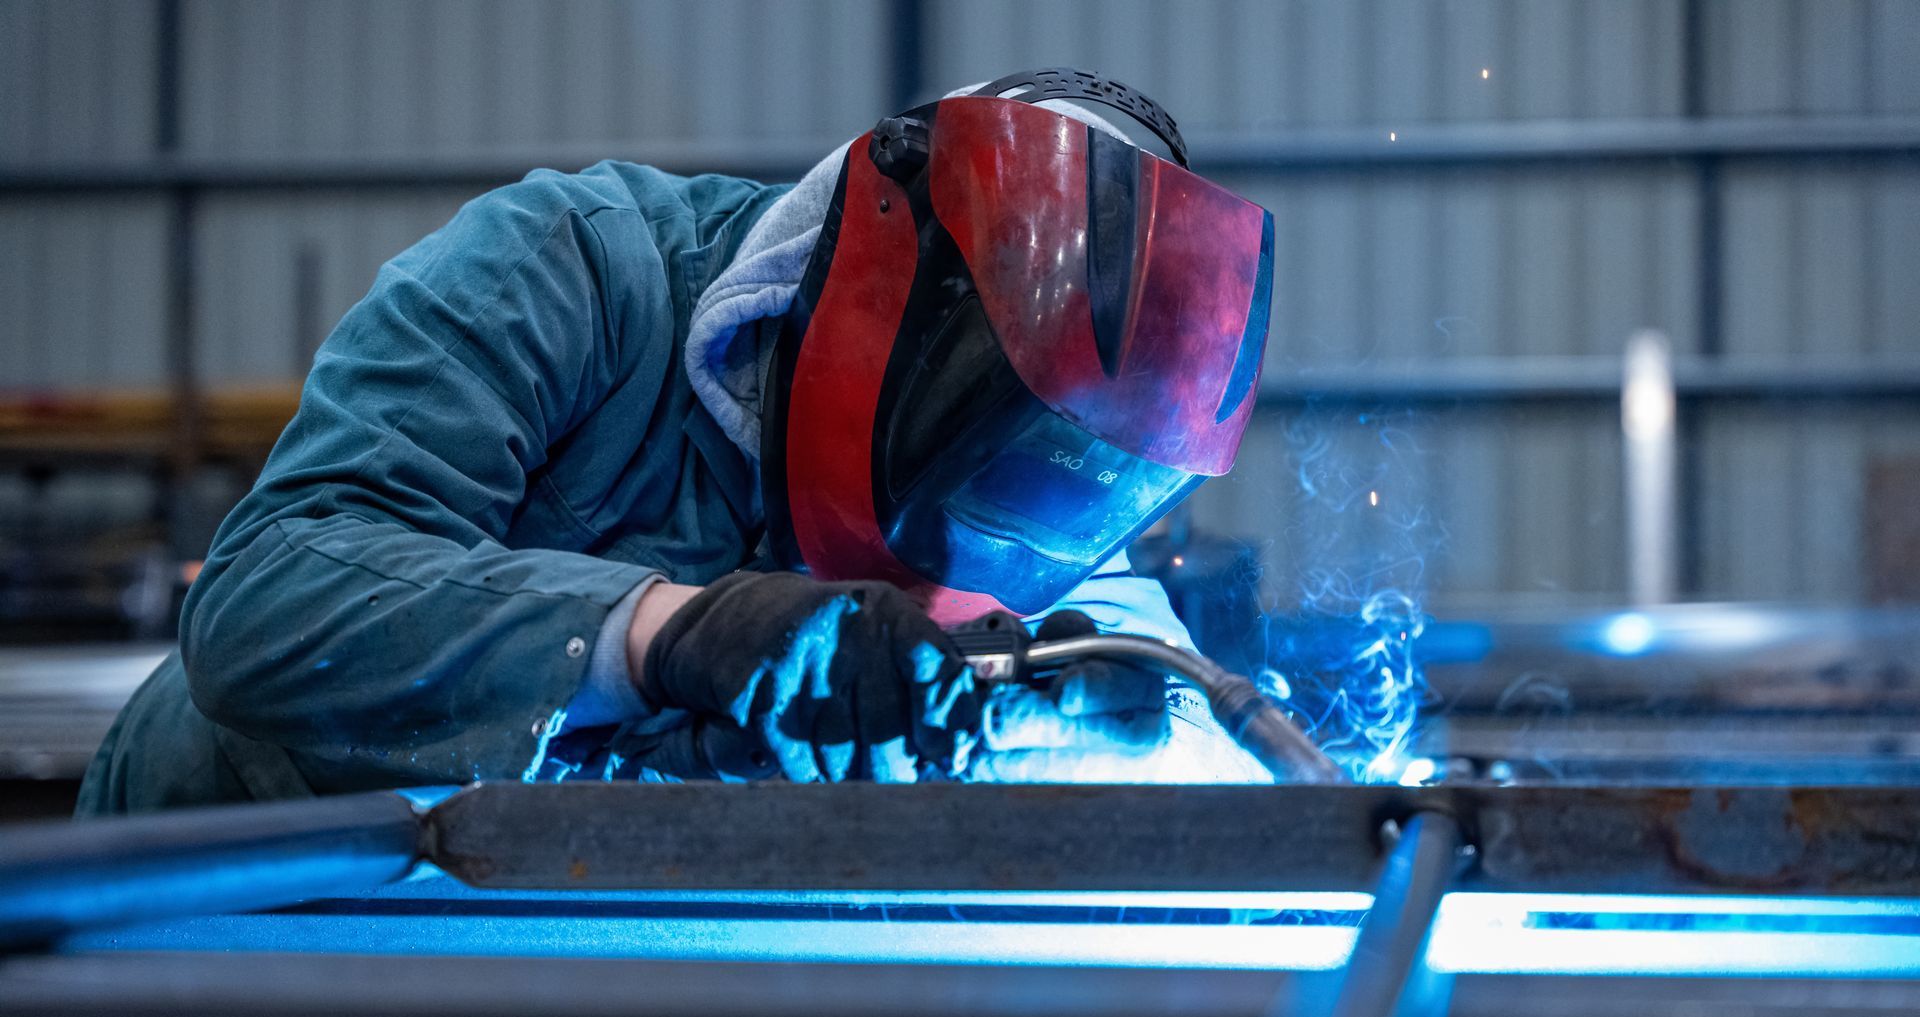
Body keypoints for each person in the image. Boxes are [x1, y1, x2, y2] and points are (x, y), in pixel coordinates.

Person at [77, 69, 1276, 815]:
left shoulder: (1056, 472)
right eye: (970, 485)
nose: (964, 564)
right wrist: (667, 632)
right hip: (224, 873)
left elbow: (1158, 692)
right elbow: (265, 599)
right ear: (876, 309)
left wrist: (1100, 721)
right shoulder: (570, 267)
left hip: (548, 939)